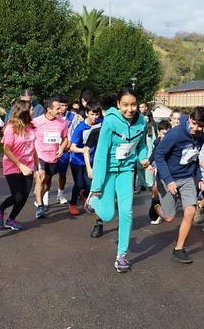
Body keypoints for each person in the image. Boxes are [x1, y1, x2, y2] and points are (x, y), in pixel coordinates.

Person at [87, 88, 149, 272]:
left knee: (127, 212)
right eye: (125, 105)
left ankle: (121, 256)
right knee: (107, 215)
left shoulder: (142, 122)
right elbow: (100, 154)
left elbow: (142, 145)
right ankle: (92, 200)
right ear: (118, 105)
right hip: (108, 172)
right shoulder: (110, 121)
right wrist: (96, 185)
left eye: (133, 104)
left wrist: (143, 158)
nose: (130, 109)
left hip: (126, 172)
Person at [150, 107, 204, 263]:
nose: (196, 129)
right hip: (168, 177)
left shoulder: (201, 137)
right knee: (169, 217)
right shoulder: (175, 134)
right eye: (194, 124)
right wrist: (168, 180)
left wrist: (199, 178)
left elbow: (194, 158)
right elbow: (159, 155)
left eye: (200, 126)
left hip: (187, 178)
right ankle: (156, 206)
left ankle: (178, 249)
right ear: (189, 118)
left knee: (190, 211)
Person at [0, 100, 37, 231]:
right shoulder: (11, 128)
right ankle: (0, 209)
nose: (33, 111)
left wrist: (38, 168)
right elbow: (6, 149)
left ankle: (11, 219)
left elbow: (33, 148)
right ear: (24, 111)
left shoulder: (32, 126)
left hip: (28, 166)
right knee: (18, 196)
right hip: (13, 165)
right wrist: (19, 165)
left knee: (25, 195)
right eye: (31, 109)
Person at [31, 97, 69, 219]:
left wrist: (62, 148)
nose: (60, 110)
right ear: (49, 109)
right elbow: (28, 134)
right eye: (57, 108)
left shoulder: (62, 122)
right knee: (40, 180)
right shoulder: (36, 121)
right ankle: (40, 207)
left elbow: (65, 138)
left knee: (46, 184)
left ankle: (39, 198)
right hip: (39, 155)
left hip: (53, 157)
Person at [67, 100, 102, 216]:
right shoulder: (80, 127)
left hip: (92, 160)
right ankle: (72, 203)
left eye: (97, 114)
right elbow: (72, 147)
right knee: (79, 183)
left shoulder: (101, 123)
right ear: (86, 113)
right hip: (77, 160)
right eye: (92, 114)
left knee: (90, 184)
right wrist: (85, 150)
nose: (95, 117)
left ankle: (85, 197)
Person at [53, 98, 77, 204]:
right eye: (61, 105)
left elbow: (76, 131)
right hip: (51, 149)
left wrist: (70, 143)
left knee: (62, 174)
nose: (63, 108)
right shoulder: (53, 115)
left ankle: (60, 195)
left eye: (65, 106)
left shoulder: (73, 116)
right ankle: (44, 196)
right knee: (47, 175)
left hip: (65, 149)